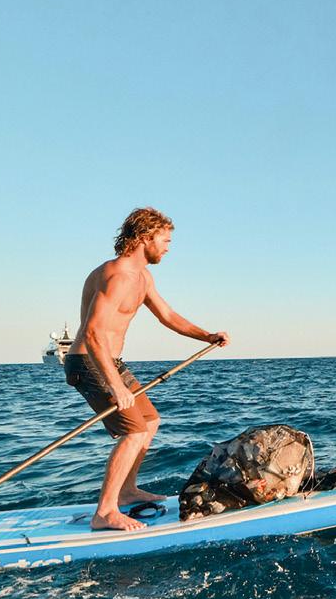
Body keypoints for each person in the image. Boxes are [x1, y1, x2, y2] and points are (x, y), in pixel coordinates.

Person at [65, 208, 229, 531]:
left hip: (110, 362)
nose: (168, 247)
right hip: (89, 360)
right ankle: (105, 512)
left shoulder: (142, 278)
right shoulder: (117, 276)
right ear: (144, 238)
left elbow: (168, 315)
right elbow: (94, 333)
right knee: (134, 431)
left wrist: (207, 336)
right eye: (164, 240)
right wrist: (115, 386)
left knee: (150, 421)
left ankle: (126, 491)